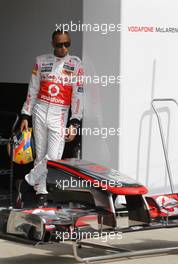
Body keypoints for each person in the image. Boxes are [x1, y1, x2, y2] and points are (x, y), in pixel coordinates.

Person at [20, 30, 84, 207]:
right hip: (40, 109)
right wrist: (26, 114)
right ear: (52, 44)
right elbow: (32, 90)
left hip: (60, 112)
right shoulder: (41, 61)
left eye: (67, 44)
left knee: (54, 157)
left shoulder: (76, 64)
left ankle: (27, 181)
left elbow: (78, 95)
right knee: (40, 155)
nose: (63, 48)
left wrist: (74, 121)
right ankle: (41, 192)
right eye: (59, 45)